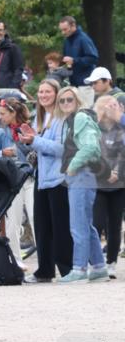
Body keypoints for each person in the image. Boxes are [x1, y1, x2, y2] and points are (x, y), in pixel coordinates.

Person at [21, 79, 73, 283]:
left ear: (57, 93)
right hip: (41, 178)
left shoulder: (63, 119)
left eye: (47, 92)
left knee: (60, 227)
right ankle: (44, 270)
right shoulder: (39, 118)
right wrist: (28, 141)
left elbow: (62, 149)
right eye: (41, 92)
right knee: (42, 226)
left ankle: (67, 269)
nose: (43, 95)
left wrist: (35, 141)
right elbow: (38, 146)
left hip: (60, 178)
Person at [56, 87, 107, 282]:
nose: (66, 103)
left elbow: (91, 147)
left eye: (70, 99)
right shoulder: (70, 121)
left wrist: (73, 165)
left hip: (81, 175)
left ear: (77, 101)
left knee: (78, 225)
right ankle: (99, 267)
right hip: (80, 176)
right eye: (62, 101)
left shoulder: (80, 118)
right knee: (85, 223)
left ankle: (79, 269)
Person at [0, 97, 34, 268]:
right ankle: (15, 259)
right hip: (12, 180)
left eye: (3, 114)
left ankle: (45, 258)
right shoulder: (0, 132)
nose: (0, 117)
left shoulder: (28, 128)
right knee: (12, 220)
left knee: (35, 217)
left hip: (29, 177)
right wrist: (2, 153)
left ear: (13, 113)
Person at [93, 96, 125, 279]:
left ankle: (111, 262)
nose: (111, 108)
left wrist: (117, 173)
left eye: (115, 105)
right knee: (96, 224)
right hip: (99, 183)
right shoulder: (95, 128)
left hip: (119, 184)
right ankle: (96, 261)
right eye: (108, 105)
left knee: (114, 225)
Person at [60, 16, 100, 104]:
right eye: (61, 30)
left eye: (65, 29)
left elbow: (93, 58)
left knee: (86, 112)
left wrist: (74, 60)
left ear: (73, 25)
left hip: (85, 85)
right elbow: (66, 60)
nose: (63, 32)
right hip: (73, 85)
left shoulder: (83, 39)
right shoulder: (67, 41)